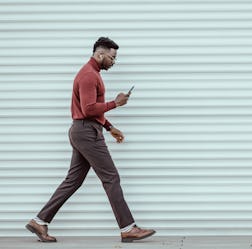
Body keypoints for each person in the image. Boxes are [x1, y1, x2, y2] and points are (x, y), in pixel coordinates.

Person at [25, 37, 156, 243]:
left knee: (73, 180)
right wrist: (116, 103)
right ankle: (128, 228)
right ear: (100, 54)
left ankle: (39, 221)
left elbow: (90, 110)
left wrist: (109, 127)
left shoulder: (91, 73)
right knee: (111, 177)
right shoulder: (88, 75)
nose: (114, 62)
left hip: (82, 130)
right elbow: (88, 109)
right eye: (112, 58)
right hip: (86, 133)